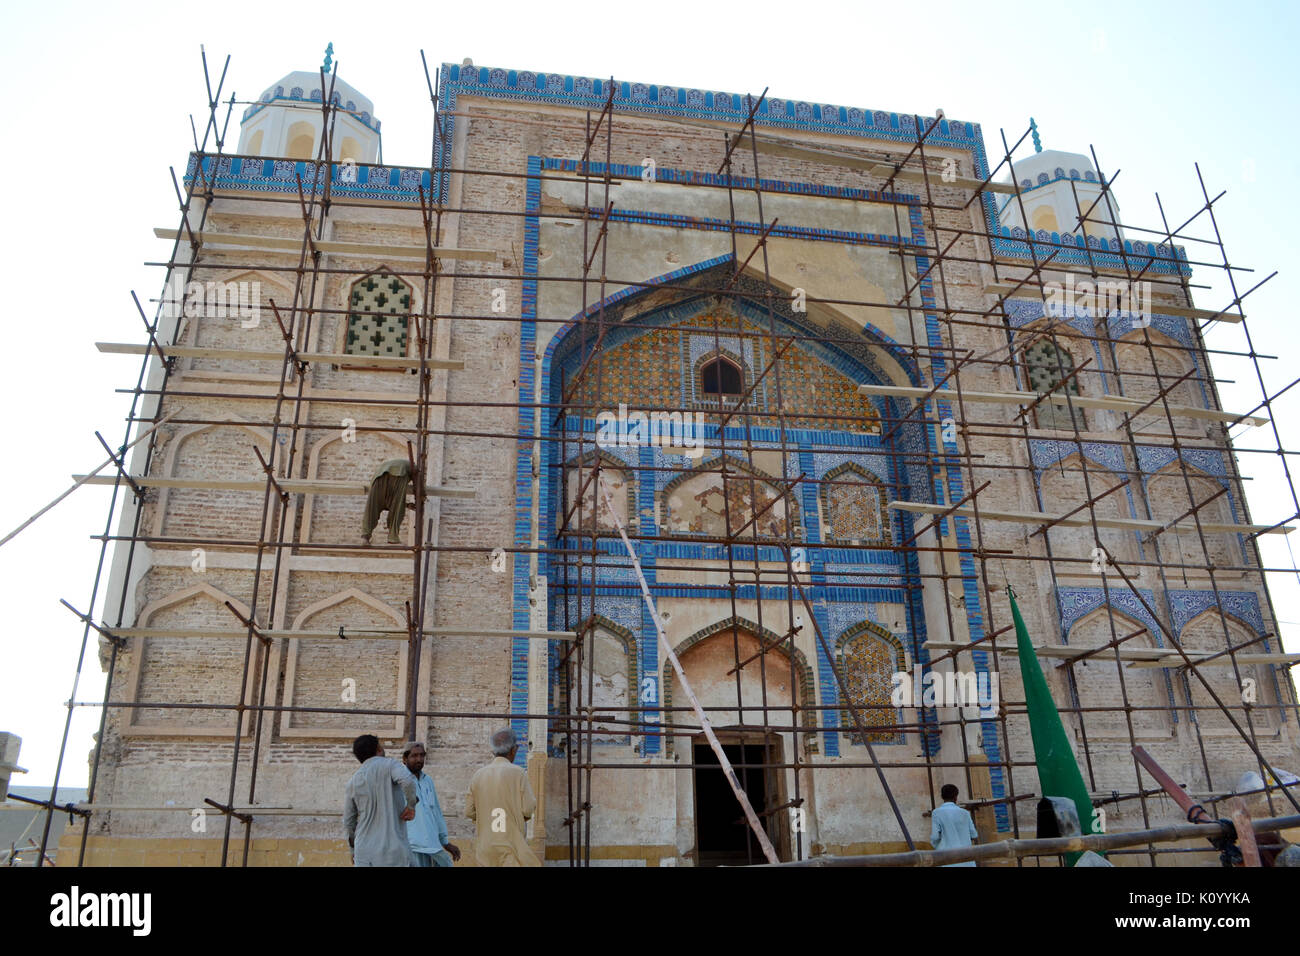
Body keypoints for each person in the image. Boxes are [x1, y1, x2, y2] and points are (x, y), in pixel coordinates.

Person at [465, 727, 541, 867]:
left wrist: (484, 815)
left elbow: (469, 811)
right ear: (514, 750)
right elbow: (528, 808)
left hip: (485, 847)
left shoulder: (478, 775)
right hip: (511, 845)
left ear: (493, 751)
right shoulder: (518, 773)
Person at [343, 734, 419, 867]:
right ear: (378, 748)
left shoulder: (352, 782)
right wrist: (411, 806)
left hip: (364, 852)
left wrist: (353, 850)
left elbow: (349, 822)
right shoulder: (390, 765)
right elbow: (407, 781)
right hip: (393, 851)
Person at [402, 741, 461, 867]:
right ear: (404, 759)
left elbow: (436, 813)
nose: (419, 759)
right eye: (414, 756)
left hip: (432, 847)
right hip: (411, 847)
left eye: (422, 755)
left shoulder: (427, 780)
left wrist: (445, 842)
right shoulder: (400, 781)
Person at [930, 783, 979, 867]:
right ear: (956, 797)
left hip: (946, 860)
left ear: (942, 797)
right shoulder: (965, 813)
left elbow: (935, 837)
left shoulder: (937, 813)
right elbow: (974, 835)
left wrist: (938, 846)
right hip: (966, 860)